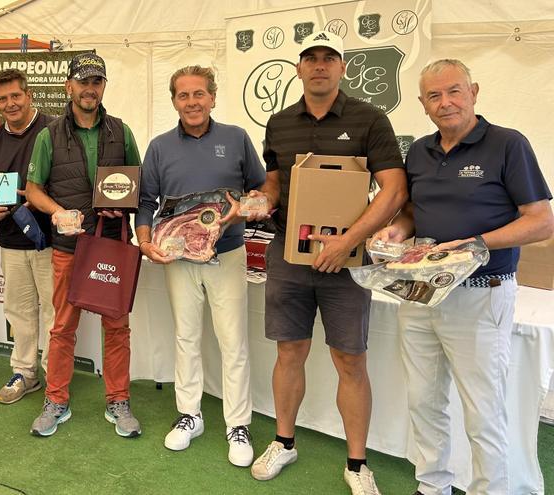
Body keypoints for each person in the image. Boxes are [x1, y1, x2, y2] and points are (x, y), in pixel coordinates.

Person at [373, 59, 553, 495]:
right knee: (423, 400)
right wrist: (397, 229)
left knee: (482, 409)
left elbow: (542, 221)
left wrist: (474, 245)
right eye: (434, 96)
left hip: (480, 293)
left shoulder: (508, 144)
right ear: (422, 103)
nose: (445, 102)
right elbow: (415, 208)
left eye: (454, 91)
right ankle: (432, 485)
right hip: (421, 293)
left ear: (474, 91)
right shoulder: (419, 150)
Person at [251, 31, 407, 494]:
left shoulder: (370, 119)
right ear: (299, 68)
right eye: (311, 58)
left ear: (342, 68)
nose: (319, 65)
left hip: (348, 261)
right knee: (289, 351)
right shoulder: (279, 122)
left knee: (350, 360)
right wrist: (261, 199)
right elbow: (275, 181)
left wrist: (348, 242)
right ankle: (284, 441)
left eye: (329, 58)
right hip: (289, 255)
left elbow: (394, 190)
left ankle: (357, 464)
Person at [135, 66, 266, 466]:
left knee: (233, 342)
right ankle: (190, 415)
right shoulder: (158, 147)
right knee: (186, 338)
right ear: (173, 101)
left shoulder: (236, 138)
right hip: (177, 257)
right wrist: (144, 241)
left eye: (199, 94)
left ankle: (237, 424)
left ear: (212, 97)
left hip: (226, 253)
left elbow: (258, 190)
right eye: (183, 96)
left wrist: (246, 208)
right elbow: (145, 203)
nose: (192, 102)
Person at [25, 52, 143, 437]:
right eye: (83, 81)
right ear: (69, 86)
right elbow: (32, 189)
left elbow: (136, 184)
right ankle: (56, 400)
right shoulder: (49, 135)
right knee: (62, 328)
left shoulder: (121, 132)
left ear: (103, 86)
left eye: (97, 82)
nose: (90, 89)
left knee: (117, 326)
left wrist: (123, 207)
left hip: (111, 245)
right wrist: (57, 211)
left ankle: (118, 400)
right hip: (68, 247)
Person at [0, 69, 55, 404]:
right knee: (19, 311)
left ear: (29, 95)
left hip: (51, 240)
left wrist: (39, 197)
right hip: (10, 239)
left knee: (53, 310)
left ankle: (56, 376)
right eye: (3, 99)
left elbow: (71, 179)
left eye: (16, 96)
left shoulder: (54, 130)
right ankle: (25, 372)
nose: (10, 104)